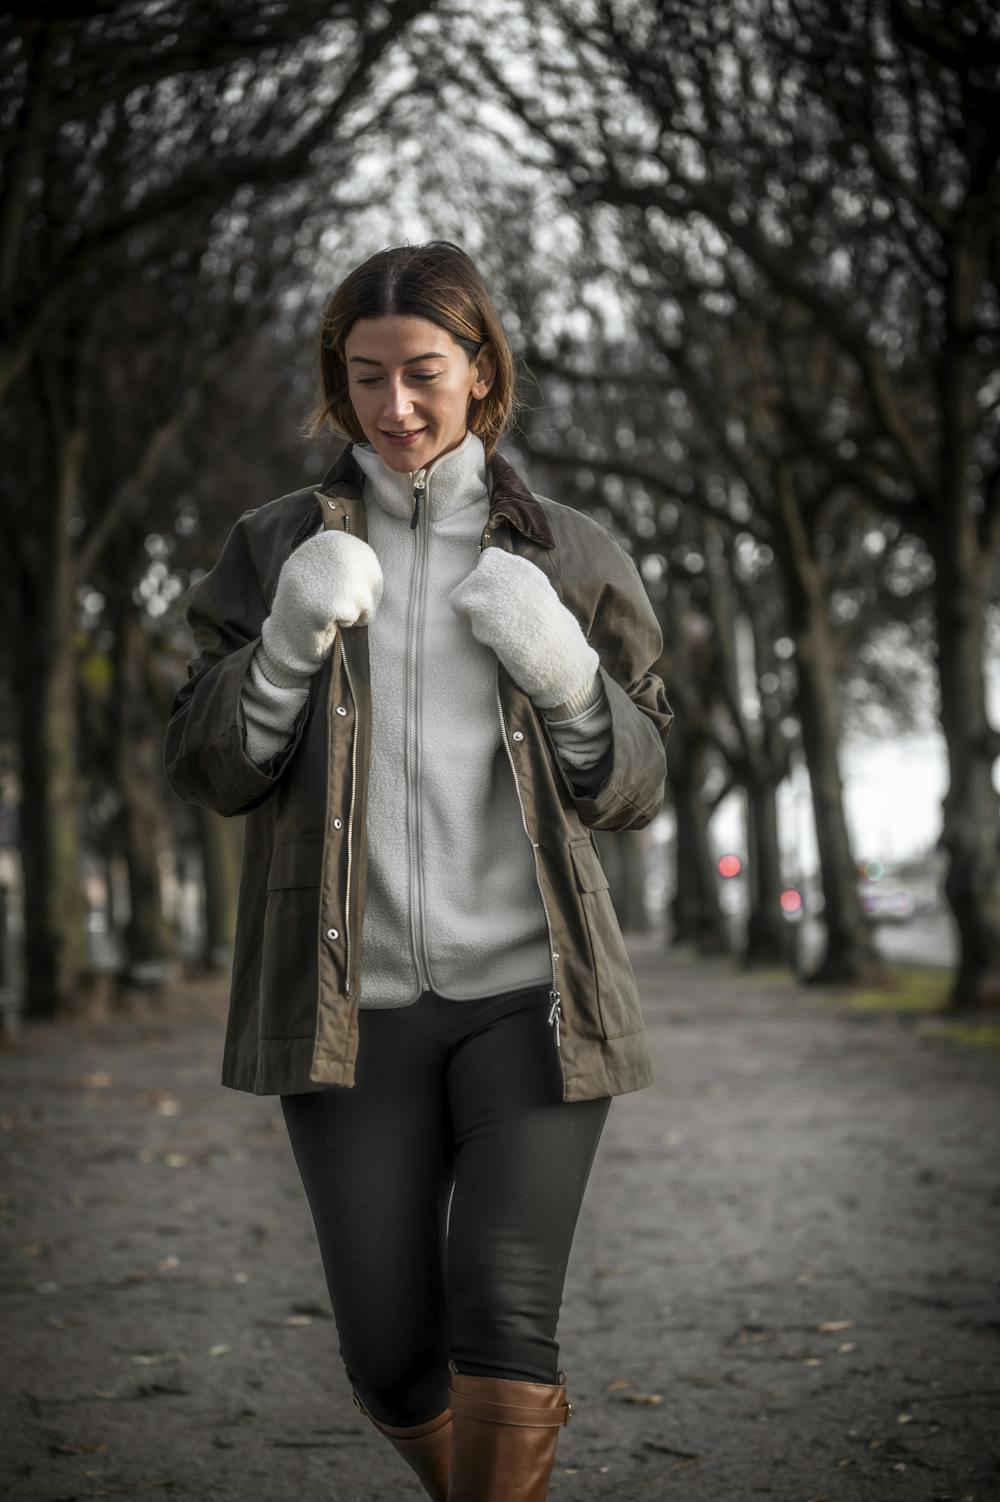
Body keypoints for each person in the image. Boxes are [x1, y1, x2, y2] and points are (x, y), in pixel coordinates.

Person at [163, 240, 673, 1501]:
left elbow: (645, 778)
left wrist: (565, 671)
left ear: (481, 372)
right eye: (367, 375)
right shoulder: (273, 542)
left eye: (425, 373)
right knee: (393, 1359)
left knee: (504, 1325)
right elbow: (204, 764)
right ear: (337, 384)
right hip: (347, 1010)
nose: (396, 406)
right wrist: (285, 639)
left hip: (533, 1001)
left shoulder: (575, 550)